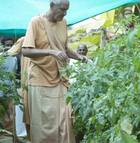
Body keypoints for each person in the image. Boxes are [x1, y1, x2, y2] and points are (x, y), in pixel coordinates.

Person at [22, 0, 86, 143]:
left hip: (60, 78)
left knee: (65, 119)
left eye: (66, 10)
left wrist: (79, 57)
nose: (64, 13)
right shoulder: (36, 22)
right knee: (43, 125)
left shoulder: (63, 23)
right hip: (40, 79)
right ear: (52, 6)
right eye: (62, 9)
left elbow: (64, 49)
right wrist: (51, 52)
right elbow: (25, 50)